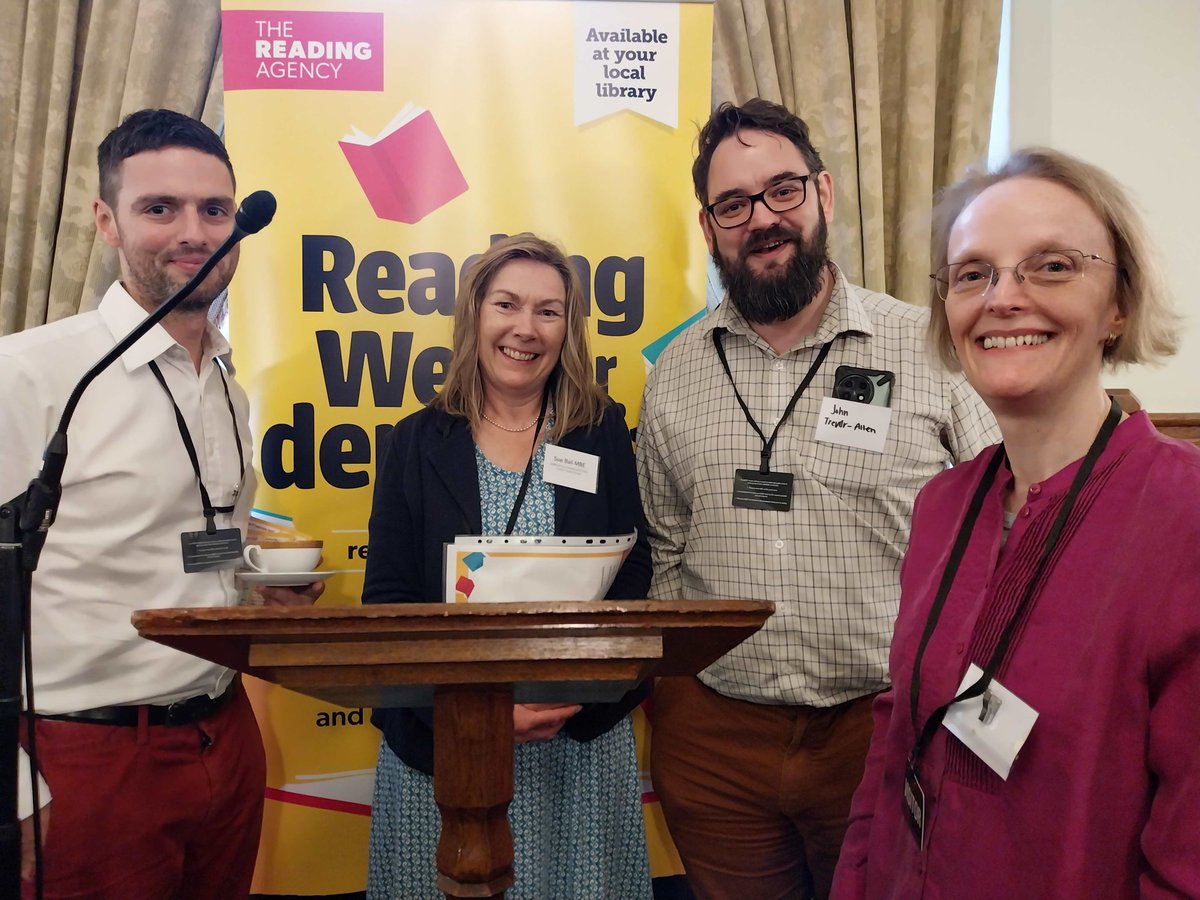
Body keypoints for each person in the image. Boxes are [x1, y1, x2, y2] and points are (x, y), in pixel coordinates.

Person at [636, 98, 999, 899]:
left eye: (782, 191)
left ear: (824, 194)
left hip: (879, 730)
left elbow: (1004, 525)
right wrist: (677, 700)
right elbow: (666, 547)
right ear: (709, 227)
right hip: (716, 742)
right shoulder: (675, 375)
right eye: (734, 204)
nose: (761, 218)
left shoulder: (929, 345)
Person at [831, 147, 1200, 897]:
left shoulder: (1184, 519)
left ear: (1118, 304)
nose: (1003, 297)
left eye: (1052, 266)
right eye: (973, 273)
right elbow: (896, 738)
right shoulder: (942, 507)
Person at [0, 108, 321, 899]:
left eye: (216, 210)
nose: (195, 231)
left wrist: (253, 578)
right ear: (107, 221)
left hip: (224, 733)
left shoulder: (224, 382)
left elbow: (183, 542)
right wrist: (15, 791)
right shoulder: (34, 375)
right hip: (85, 759)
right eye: (160, 208)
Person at [362, 233, 653, 898]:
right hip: (446, 748)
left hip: (575, 742)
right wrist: (471, 713)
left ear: (568, 328)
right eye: (508, 305)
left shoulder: (599, 429)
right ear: (475, 315)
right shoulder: (414, 442)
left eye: (548, 311)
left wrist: (581, 687)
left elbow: (635, 565)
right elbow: (389, 600)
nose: (526, 329)